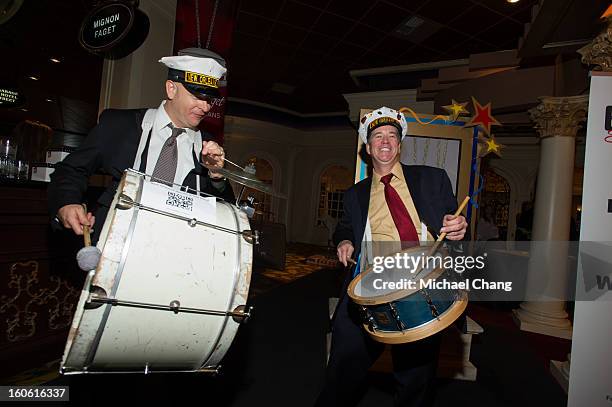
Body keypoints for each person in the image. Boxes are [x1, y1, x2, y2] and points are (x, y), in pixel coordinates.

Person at [316, 107, 468, 407]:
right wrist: (345, 240)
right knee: (341, 373)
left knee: (415, 383)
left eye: (392, 136)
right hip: (369, 288)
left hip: (420, 287)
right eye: (377, 136)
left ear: (399, 144)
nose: (385, 141)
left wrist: (459, 227)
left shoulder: (432, 179)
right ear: (368, 146)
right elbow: (345, 227)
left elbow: (456, 224)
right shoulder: (355, 194)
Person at [48, 48, 235, 242]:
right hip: (116, 246)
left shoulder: (208, 145)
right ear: (171, 89)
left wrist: (217, 178)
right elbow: (71, 169)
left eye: (210, 100)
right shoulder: (120, 125)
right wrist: (66, 204)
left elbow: (226, 212)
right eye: (197, 96)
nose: (205, 107)